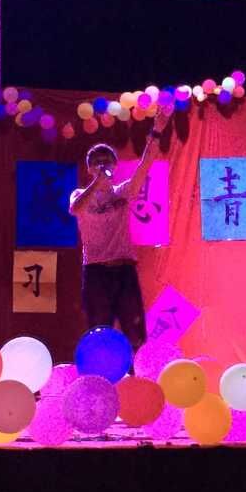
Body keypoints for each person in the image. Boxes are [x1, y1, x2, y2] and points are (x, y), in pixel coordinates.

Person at [69, 110, 172, 349]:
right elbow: (75, 209)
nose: (101, 165)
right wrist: (97, 182)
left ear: (115, 166)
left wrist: (156, 131)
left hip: (124, 270)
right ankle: (100, 371)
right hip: (96, 271)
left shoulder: (122, 192)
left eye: (106, 161)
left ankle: (138, 371)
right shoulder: (79, 194)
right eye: (96, 162)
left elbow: (145, 166)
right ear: (89, 168)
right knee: (98, 332)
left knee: (135, 333)